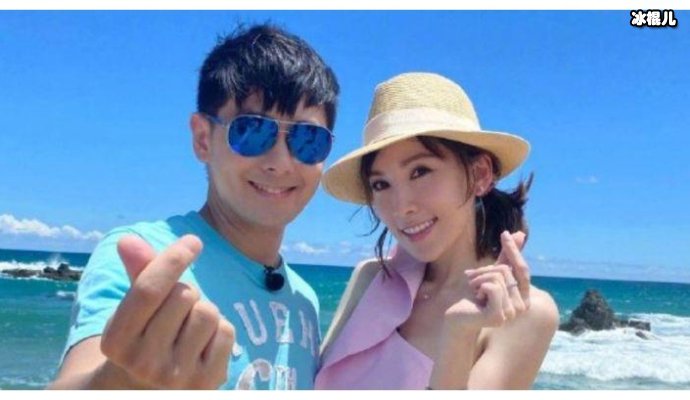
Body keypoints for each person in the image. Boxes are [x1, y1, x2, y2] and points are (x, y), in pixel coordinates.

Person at [49, 23, 340, 390]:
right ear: (203, 138)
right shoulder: (147, 257)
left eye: (308, 139)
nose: (280, 162)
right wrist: (122, 380)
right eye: (253, 131)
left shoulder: (305, 300)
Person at [316, 72, 558, 389]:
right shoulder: (373, 277)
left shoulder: (525, 312)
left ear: (480, 174)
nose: (401, 207)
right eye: (381, 184)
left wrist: (459, 334)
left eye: (420, 171)